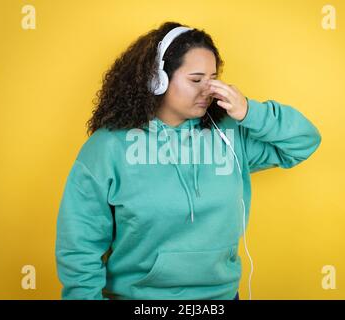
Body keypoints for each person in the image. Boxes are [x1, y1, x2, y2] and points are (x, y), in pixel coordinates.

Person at [55, 21, 322, 300]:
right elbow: (79, 245)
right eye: (196, 80)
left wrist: (248, 112)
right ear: (156, 80)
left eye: (213, 80)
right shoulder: (108, 147)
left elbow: (303, 141)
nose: (207, 91)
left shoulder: (229, 134)